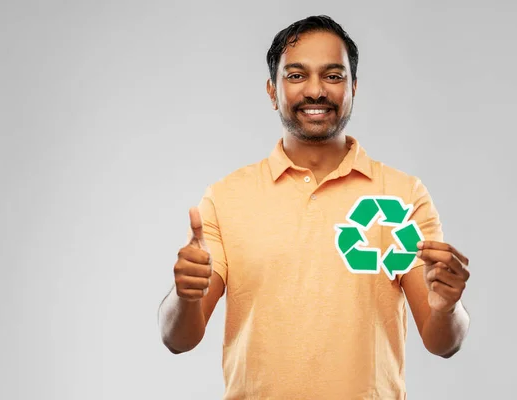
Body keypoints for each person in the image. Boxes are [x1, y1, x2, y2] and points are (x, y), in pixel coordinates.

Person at [158, 15, 471, 399]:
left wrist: (447, 308)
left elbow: (443, 342)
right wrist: (184, 296)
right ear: (272, 91)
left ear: (353, 87)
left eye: (333, 76)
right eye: (296, 75)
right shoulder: (226, 199)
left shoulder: (404, 195)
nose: (316, 90)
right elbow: (178, 339)